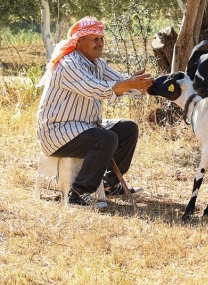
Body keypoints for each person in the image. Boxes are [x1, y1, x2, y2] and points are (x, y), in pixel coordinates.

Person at [36, 16, 154, 208]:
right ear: (80, 42)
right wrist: (128, 84)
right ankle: (77, 194)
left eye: (101, 39)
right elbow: (95, 88)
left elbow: (120, 81)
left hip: (83, 126)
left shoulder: (97, 63)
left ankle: (109, 184)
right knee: (105, 138)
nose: (100, 43)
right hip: (56, 132)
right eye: (94, 39)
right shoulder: (69, 64)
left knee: (127, 129)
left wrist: (145, 85)